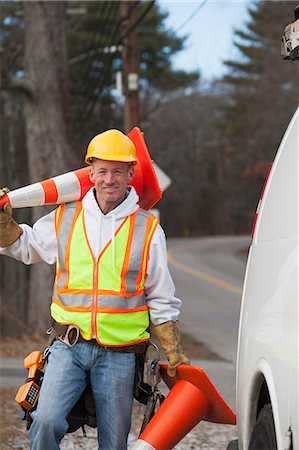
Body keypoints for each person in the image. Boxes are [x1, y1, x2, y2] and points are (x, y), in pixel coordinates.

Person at [0, 129, 189, 450]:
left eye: (118, 171)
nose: (109, 179)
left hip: (120, 354)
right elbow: (28, 247)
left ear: (131, 173)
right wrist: (5, 228)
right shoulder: (66, 217)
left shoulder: (148, 229)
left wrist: (172, 347)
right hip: (67, 346)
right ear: (90, 173)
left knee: (114, 442)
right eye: (102, 171)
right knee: (44, 420)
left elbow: (160, 295)